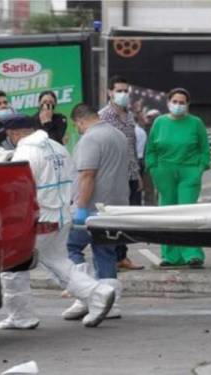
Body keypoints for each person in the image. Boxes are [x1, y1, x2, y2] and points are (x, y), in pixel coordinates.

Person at [0, 115, 115, 330]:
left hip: (38, 217)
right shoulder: (57, 147)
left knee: (13, 266)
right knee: (58, 262)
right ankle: (98, 295)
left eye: (9, 135)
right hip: (61, 214)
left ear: (15, 133)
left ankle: (22, 316)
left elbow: (21, 188)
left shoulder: (25, 152)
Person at [64, 103, 130, 320]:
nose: (78, 129)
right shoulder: (118, 135)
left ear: (80, 120)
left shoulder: (90, 139)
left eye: (77, 126)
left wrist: (80, 207)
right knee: (104, 252)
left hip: (92, 208)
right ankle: (112, 302)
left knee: (70, 247)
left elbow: (87, 176)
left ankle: (85, 296)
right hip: (115, 206)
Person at [145, 88, 210, 267]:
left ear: (188, 105)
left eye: (182, 102)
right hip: (164, 171)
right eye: (175, 102)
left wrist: (200, 168)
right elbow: (150, 149)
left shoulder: (196, 123)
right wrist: (153, 168)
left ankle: (193, 254)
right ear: (168, 103)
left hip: (189, 171)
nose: (178, 105)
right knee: (167, 212)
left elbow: (205, 149)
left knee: (187, 212)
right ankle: (170, 256)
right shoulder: (159, 122)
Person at [99, 75, 144, 271]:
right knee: (113, 219)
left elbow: (132, 146)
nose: (123, 94)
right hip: (114, 177)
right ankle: (110, 259)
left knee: (128, 219)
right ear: (109, 92)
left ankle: (122, 257)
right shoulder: (103, 116)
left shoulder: (129, 115)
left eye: (126, 91)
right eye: (119, 90)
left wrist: (138, 173)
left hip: (132, 174)